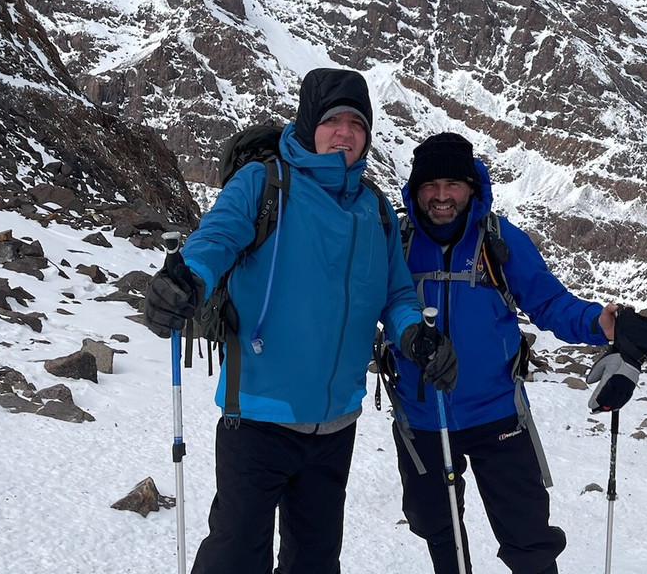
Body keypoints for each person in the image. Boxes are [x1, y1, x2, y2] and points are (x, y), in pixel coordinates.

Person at [142, 68, 458, 574]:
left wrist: (414, 334)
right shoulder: (265, 183)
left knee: (313, 562)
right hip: (259, 418)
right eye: (334, 120)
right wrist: (188, 279)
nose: (345, 132)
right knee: (234, 557)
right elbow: (217, 238)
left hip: (335, 425)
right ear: (309, 123)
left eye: (357, 123)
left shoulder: (374, 209)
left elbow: (396, 293)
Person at [384, 132, 629, 574]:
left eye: (452, 185)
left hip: (497, 412)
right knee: (439, 530)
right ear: (415, 190)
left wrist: (600, 323)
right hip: (421, 416)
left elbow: (550, 302)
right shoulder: (395, 243)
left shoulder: (497, 240)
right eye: (430, 186)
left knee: (528, 535)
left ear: (471, 189)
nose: (441, 197)